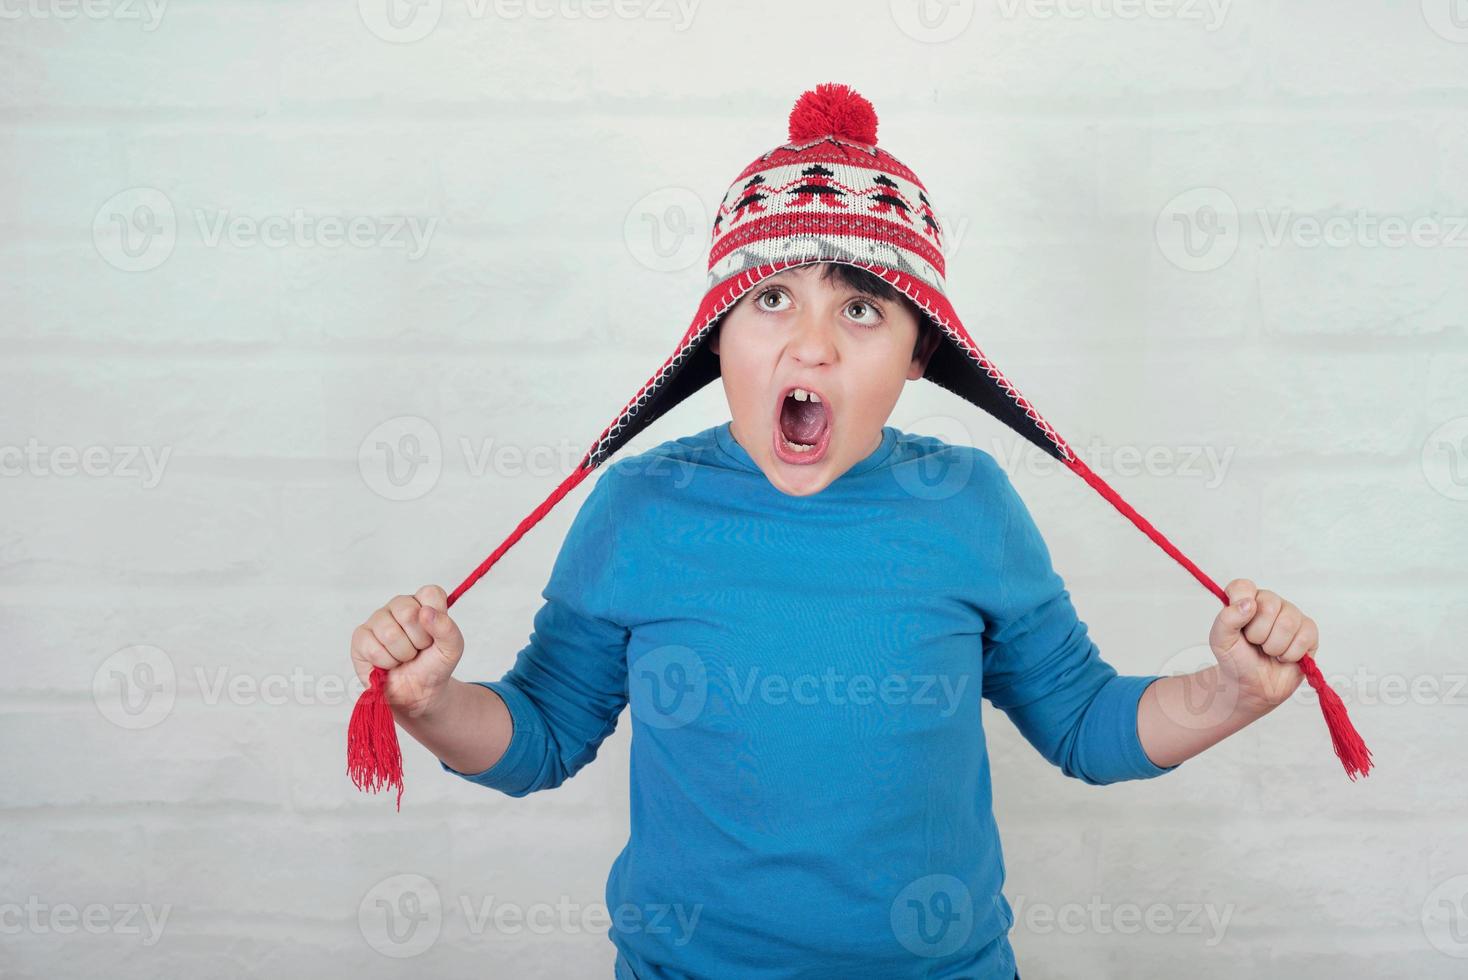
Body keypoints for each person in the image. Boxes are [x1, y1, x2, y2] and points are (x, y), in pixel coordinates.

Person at [348, 88, 1322, 978]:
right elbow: (543, 736)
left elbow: (1082, 724)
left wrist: (1229, 688)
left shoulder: (966, 499)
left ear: (917, 355)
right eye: (772, 298)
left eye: (861, 308)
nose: (809, 343)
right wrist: (430, 702)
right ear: (717, 335)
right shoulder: (639, 507)